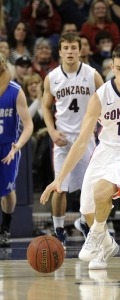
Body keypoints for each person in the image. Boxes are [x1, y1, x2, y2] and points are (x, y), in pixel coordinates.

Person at [40, 43, 120, 270]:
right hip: (104, 150)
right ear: (112, 67)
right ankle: (107, 244)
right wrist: (60, 178)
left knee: (101, 193)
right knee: (86, 209)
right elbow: (81, 142)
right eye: (119, 68)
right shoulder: (100, 96)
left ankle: (96, 235)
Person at [42, 32, 104, 247]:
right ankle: (59, 229)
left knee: (93, 186)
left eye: (73, 48)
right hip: (63, 140)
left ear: (80, 50)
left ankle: (86, 223)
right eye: (66, 48)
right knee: (60, 186)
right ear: (60, 52)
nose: (70, 52)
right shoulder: (51, 77)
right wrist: (51, 131)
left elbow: (107, 101)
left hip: (87, 138)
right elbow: (45, 107)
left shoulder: (92, 74)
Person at [0, 52, 33, 246]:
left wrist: (17, 146)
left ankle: (5, 228)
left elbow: (28, 124)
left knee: (7, 191)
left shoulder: (14, 90)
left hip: (7, 146)